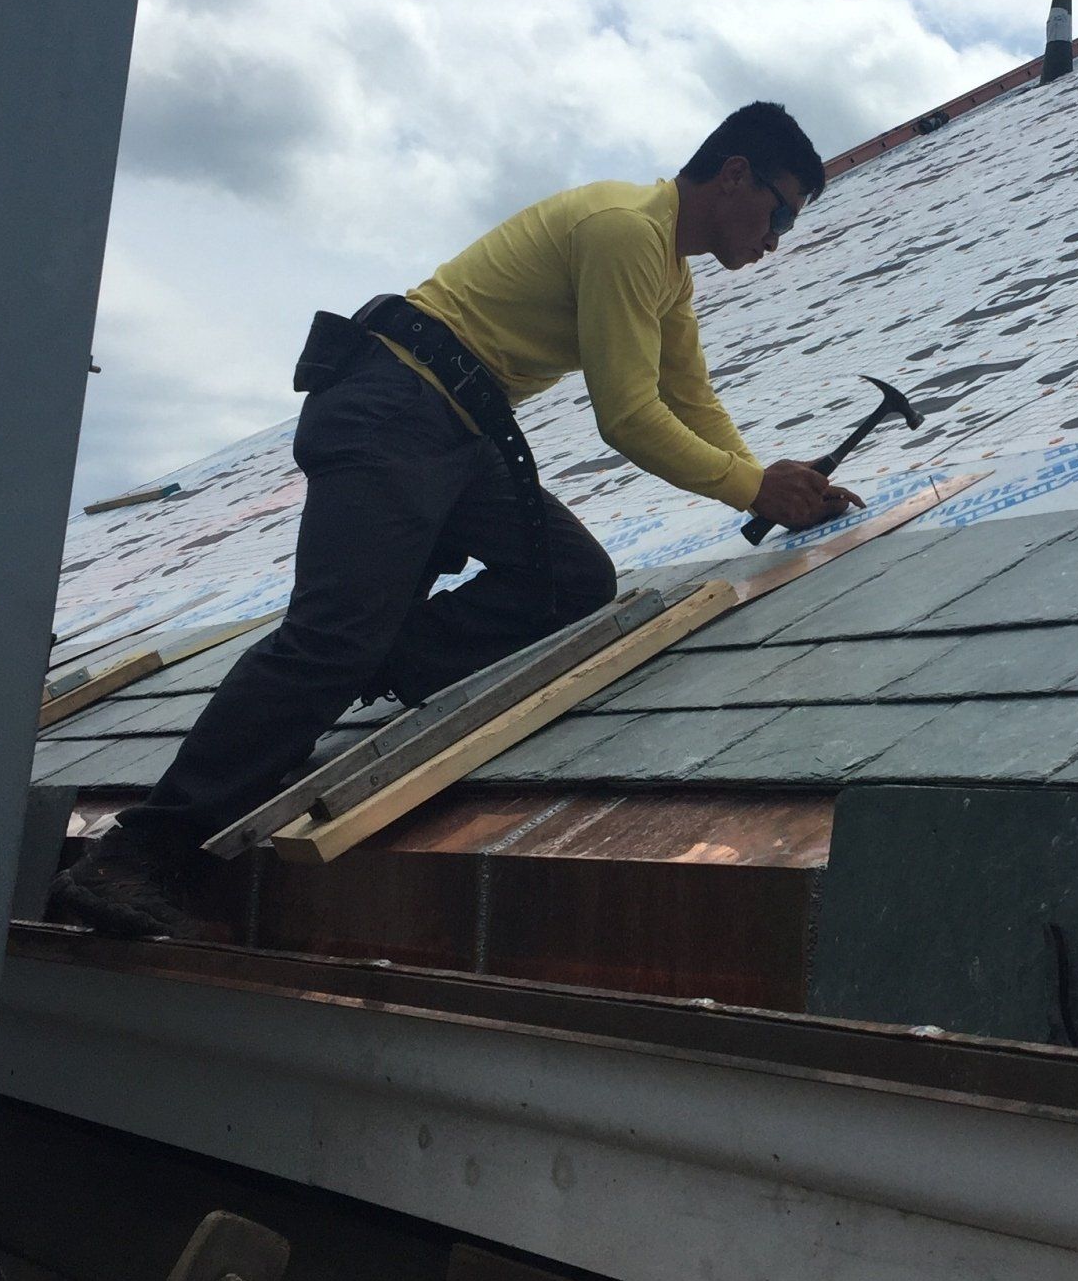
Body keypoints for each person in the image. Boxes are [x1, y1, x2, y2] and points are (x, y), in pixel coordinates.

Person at [52, 101, 855, 939]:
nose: (777, 239)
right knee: (330, 637)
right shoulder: (624, 230)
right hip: (393, 406)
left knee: (571, 582)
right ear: (734, 176)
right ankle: (136, 854)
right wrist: (751, 491)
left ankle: (374, 659)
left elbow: (689, 396)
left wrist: (768, 480)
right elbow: (626, 415)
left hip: (455, 430)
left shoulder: (666, 272)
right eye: (782, 212)